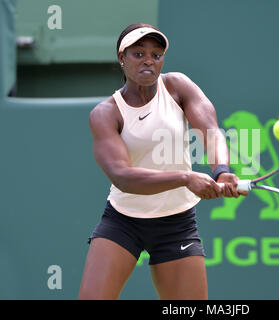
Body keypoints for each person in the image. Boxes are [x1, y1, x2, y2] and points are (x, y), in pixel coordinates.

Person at [78, 23, 246, 300]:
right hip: (123, 222)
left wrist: (222, 171)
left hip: (177, 224)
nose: (148, 60)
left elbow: (211, 130)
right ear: (122, 58)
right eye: (138, 53)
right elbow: (123, 177)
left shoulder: (178, 86)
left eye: (156, 55)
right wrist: (185, 178)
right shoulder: (106, 113)